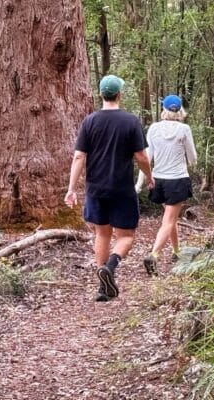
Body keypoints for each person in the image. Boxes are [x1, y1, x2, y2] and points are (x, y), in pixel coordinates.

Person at [65, 75, 154, 302]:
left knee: (101, 233)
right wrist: (149, 177)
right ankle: (111, 267)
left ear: (101, 95)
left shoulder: (90, 122)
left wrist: (71, 188)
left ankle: (102, 287)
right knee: (126, 235)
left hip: (96, 189)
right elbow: (141, 156)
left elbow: (78, 157)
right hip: (122, 188)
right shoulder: (130, 121)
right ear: (119, 94)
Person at [135, 94, 197, 276]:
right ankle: (154, 255)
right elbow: (192, 158)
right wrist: (190, 162)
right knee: (169, 220)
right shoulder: (184, 129)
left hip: (159, 181)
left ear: (163, 109)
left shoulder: (154, 129)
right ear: (180, 111)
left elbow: (146, 159)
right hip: (177, 180)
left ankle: (176, 251)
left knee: (170, 218)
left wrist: (139, 184)